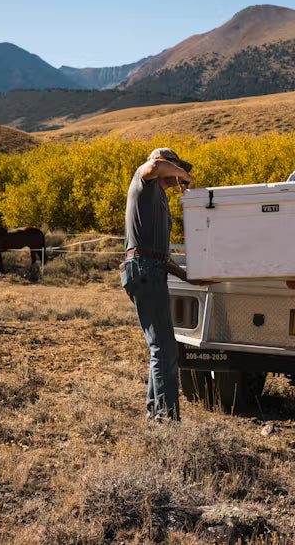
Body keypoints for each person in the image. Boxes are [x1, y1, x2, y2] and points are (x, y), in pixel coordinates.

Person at [121, 147, 195, 422]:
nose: (179, 176)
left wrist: (187, 276)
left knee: (162, 347)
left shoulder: (160, 197)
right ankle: (165, 419)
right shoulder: (145, 180)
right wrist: (183, 175)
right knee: (163, 347)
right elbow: (154, 166)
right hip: (144, 268)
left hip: (151, 267)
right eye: (177, 168)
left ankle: (157, 414)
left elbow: (160, 255)